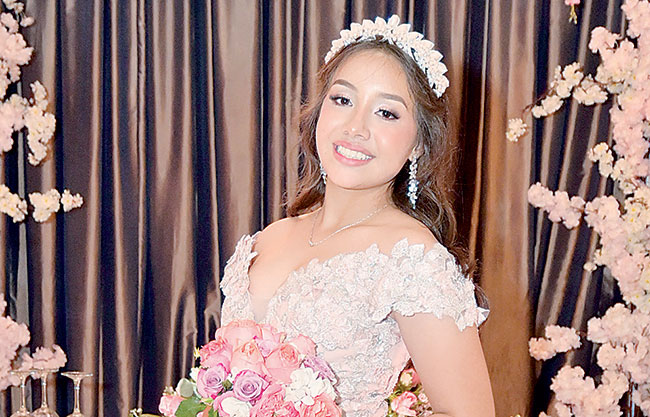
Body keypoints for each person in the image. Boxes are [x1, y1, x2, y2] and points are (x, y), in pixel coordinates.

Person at [220, 15, 495, 417]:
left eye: (386, 113)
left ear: (418, 144)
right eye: (343, 100)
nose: (355, 128)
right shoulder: (270, 237)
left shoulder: (412, 258)